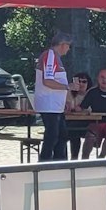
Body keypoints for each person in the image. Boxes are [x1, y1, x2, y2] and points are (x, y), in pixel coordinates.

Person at [34, 31, 75, 162]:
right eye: (68, 46)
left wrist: (66, 98)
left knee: (61, 135)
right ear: (63, 45)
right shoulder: (50, 55)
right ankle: (45, 162)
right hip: (48, 104)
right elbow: (48, 81)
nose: (69, 49)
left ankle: (60, 162)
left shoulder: (55, 57)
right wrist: (68, 87)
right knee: (52, 136)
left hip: (56, 105)